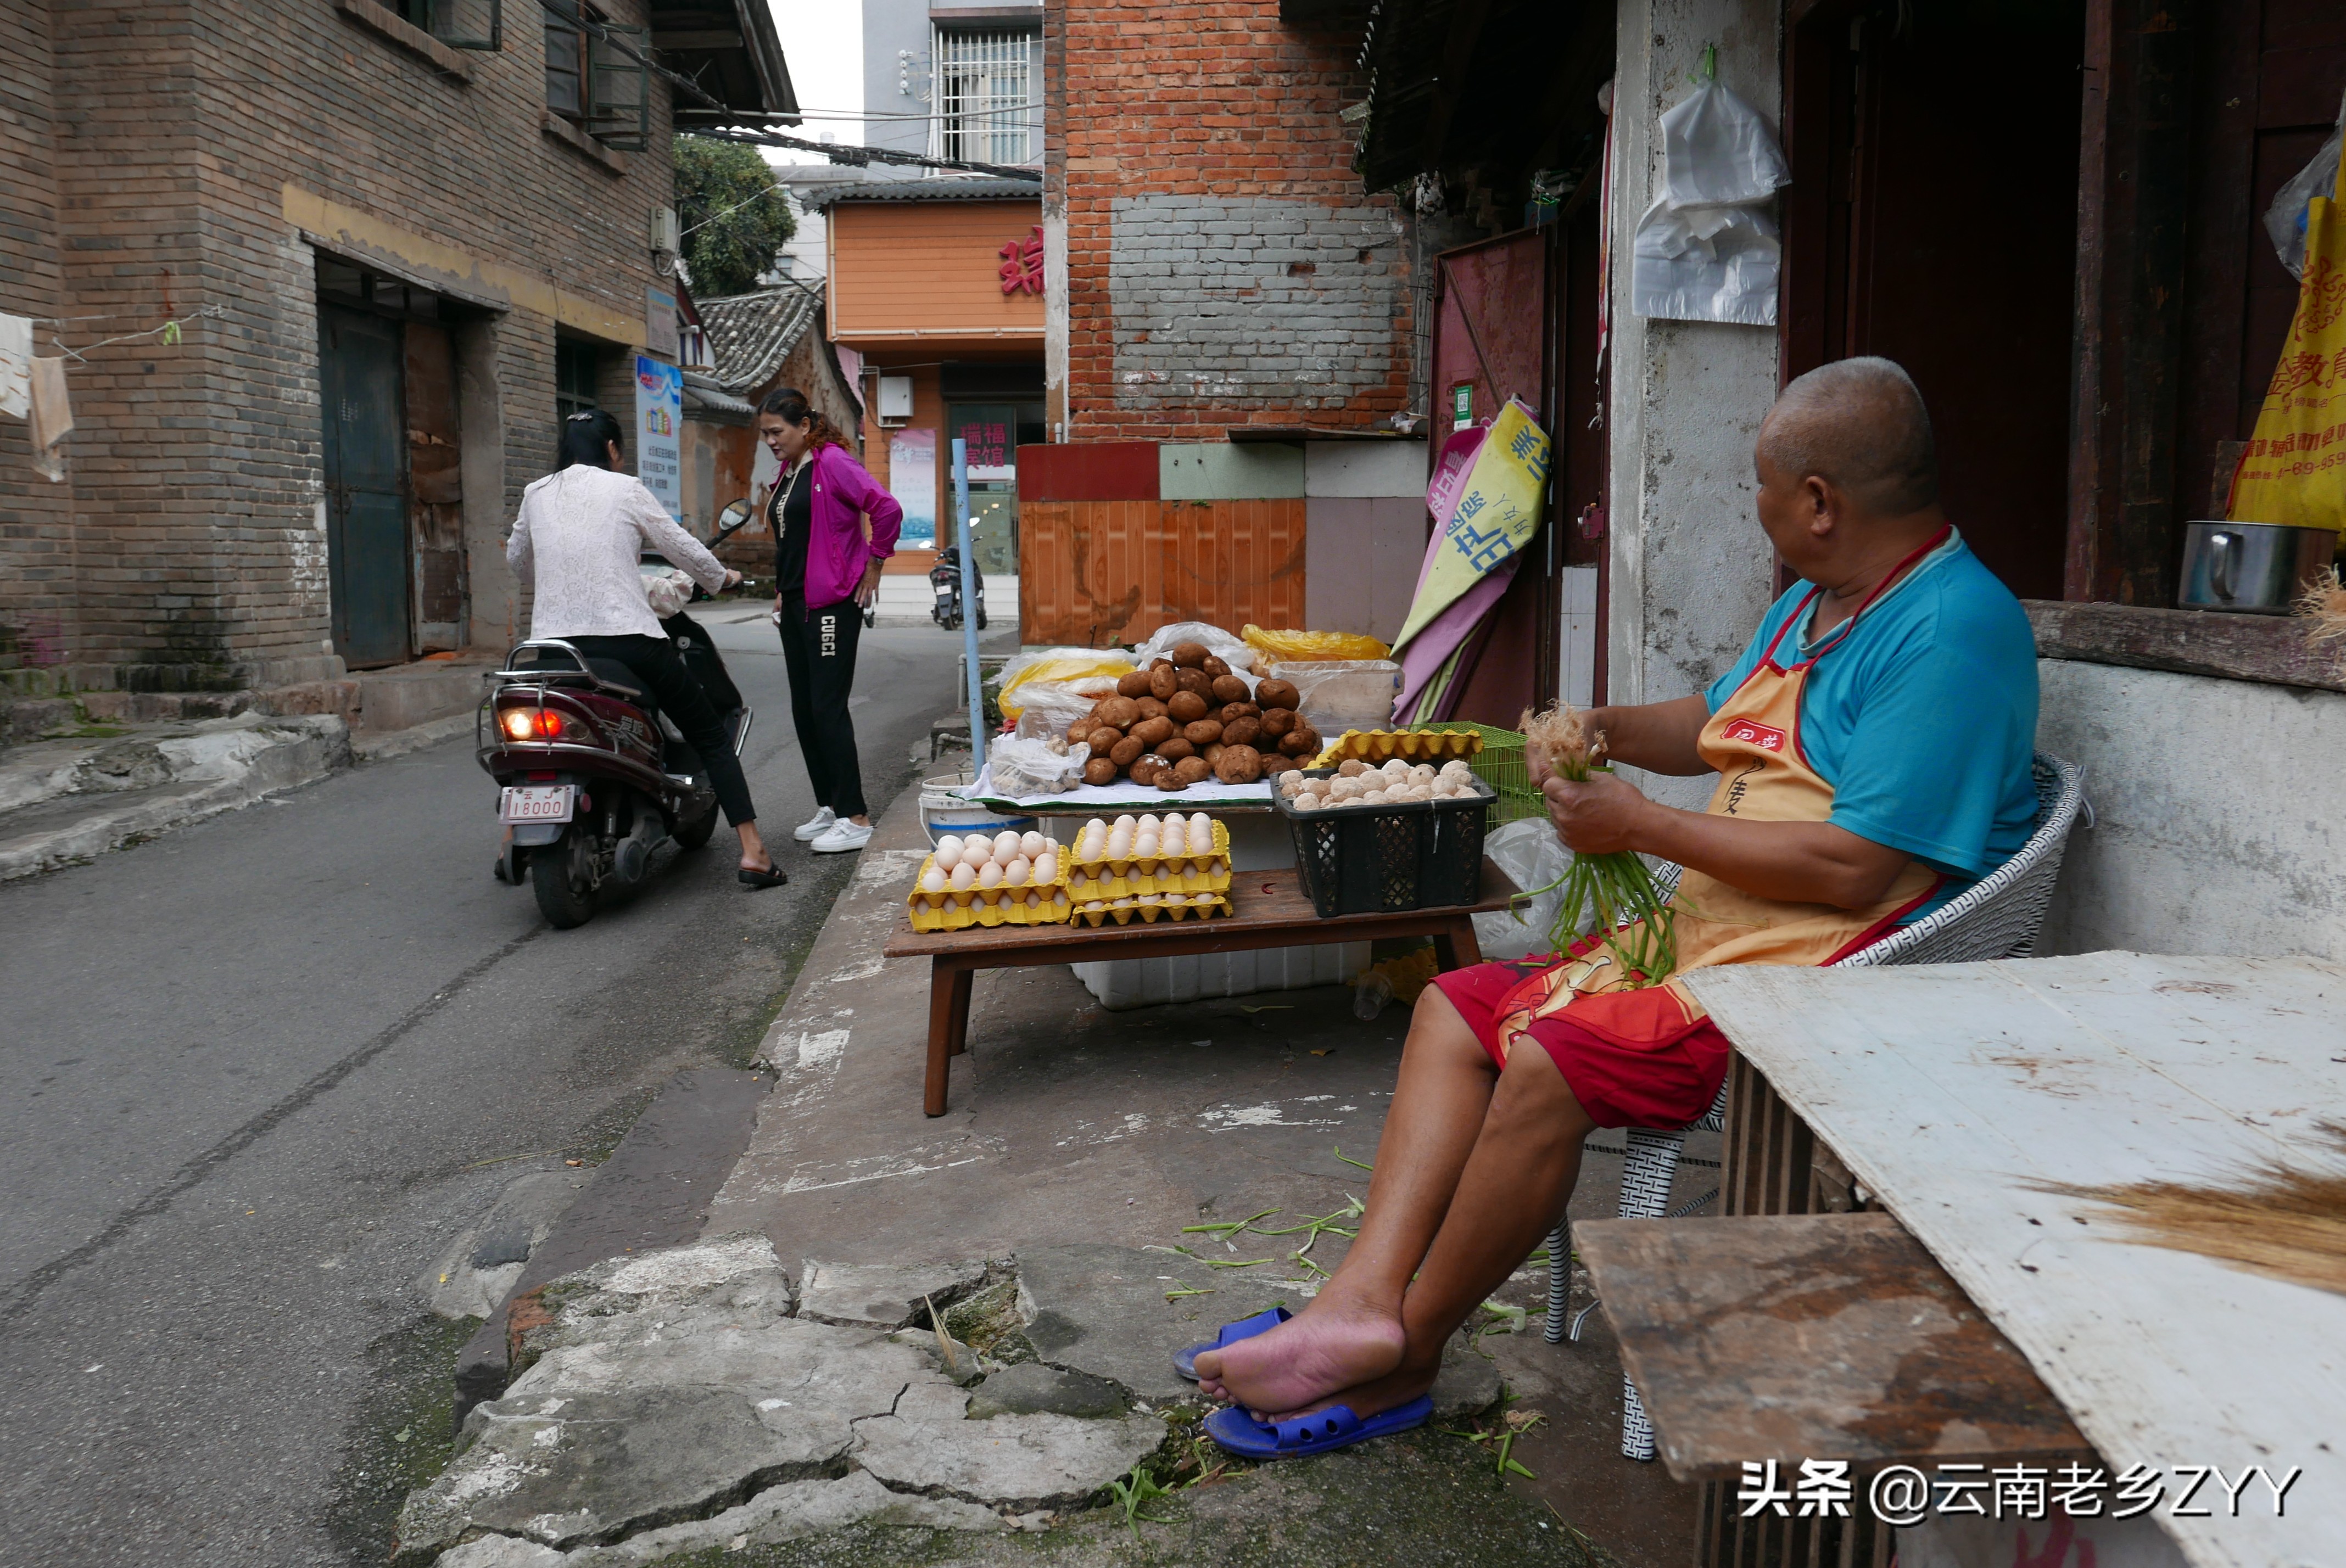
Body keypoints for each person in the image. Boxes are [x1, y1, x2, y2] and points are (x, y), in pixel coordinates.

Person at [1191, 357, 2043, 1453]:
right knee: (1456, 1008)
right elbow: (1722, 723)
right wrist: (1599, 728)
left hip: (1818, 968)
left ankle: (1409, 1354)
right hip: (1717, 924)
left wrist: (1640, 825)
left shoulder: (1951, 632)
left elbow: (1856, 873)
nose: (1758, 505)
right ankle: (1357, 1301)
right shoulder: (1821, 600)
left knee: (1552, 1058)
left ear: (1820, 502)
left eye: (1763, 485)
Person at [507, 410, 786, 890]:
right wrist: (721, 580)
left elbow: (518, 563)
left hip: (553, 649)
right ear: (612, 448)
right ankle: (754, 852)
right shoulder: (625, 489)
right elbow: (684, 549)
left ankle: (511, 839)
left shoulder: (536, 493)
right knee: (710, 735)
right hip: (628, 644)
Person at [758, 388, 902, 854]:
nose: (770, 441)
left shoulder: (833, 462)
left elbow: (886, 508)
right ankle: (831, 805)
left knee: (827, 707)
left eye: (776, 432)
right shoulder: (790, 470)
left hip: (831, 604)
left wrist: (874, 564)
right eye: (765, 434)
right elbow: (795, 539)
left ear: (804, 426)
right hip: (797, 602)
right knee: (805, 709)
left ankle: (856, 816)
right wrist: (783, 589)